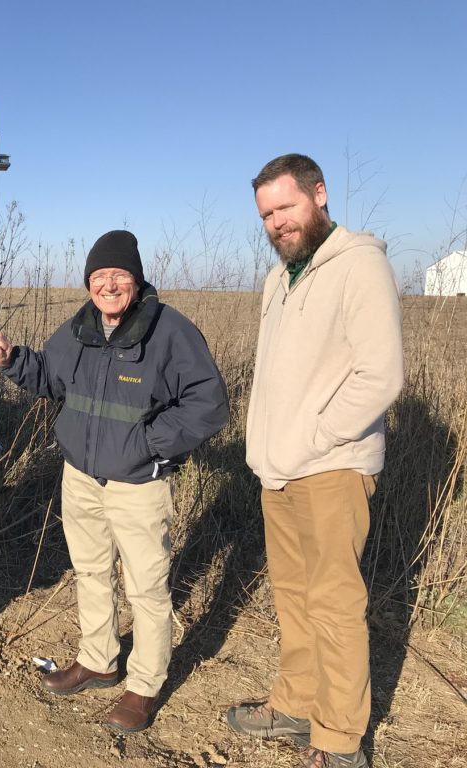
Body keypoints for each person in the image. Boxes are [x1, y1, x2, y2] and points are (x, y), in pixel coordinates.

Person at [0, 230, 229, 733]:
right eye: (99, 277)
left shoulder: (169, 331)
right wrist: (13, 360)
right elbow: (49, 378)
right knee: (91, 572)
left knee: (146, 588)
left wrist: (149, 444)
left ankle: (143, 686)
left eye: (118, 275)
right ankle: (98, 659)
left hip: (138, 486)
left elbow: (208, 403)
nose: (109, 285)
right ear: (89, 283)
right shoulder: (79, 328)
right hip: (79, 478)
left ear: (136, 279)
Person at [226, 154, 404, 768]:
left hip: (332, 467)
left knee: (333, 603)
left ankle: (339, 738)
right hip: (280, 470)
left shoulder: (360, 265)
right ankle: (297, 705)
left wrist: (317, 436)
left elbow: (381, 375)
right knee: (293, 594)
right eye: (267, 214)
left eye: (286, 206)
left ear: (319, 194)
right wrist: (271, 447)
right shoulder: (282, 277)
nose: (278, 222)